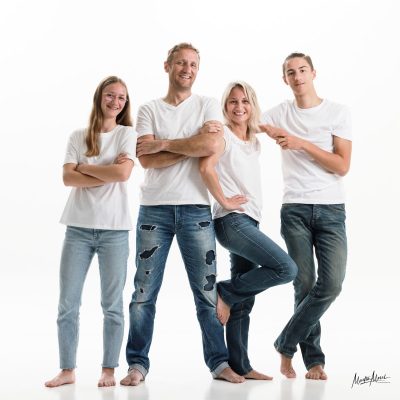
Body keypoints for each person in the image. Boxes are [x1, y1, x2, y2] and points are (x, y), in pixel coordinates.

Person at [120, 43, 245, 386]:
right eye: (181, 63)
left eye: (193, 64)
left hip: (195, 210)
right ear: (167, 66)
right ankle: (137, 364)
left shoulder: (206, 104)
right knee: (143, 294)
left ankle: (219, 363)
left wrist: (164, 143)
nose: (187, 69)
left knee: (205, 294)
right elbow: (146, 159)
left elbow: (209, 146)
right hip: (153, 211)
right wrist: (186, 144)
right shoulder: (148, 109)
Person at [260, 52, 352, 380]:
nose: (297, 77)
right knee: (305, 283)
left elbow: (342, 165)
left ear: (313, 73)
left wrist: (301, 144)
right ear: (284, 79)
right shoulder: (279, 113)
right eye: (290, 72)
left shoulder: (337, 112)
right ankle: (314, 360)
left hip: (330, 209)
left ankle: (285, 344)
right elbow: (244, 121)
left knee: (332, 283)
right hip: (295, 209)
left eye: (302, 70)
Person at [199, 81, 298, 380]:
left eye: (245, 101)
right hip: (231, 220)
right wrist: (225, 201)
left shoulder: (252, 139)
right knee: (285, 268)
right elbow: (206, 169)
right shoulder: (223, 135)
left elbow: (263, 125)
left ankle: (240, 365)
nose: (239, 107)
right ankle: (225, 292)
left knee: (246, 299)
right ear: (224, 105)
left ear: (252, 105)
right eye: (232, 102)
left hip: (250, 221)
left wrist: (267, 129)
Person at [45, 76, 136, 388]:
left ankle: (109, 369)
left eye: (121, 98)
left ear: (125, 104)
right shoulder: (78, 136)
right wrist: (102, 172)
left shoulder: (127, 134)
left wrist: (84, 167)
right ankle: (67, 369)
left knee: (112, 305)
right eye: (110, 95)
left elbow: (122, 174)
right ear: (100, 97)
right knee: (67, 303)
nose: (115, 102)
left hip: (114, 231)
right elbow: (67, 180)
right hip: (78, 229)